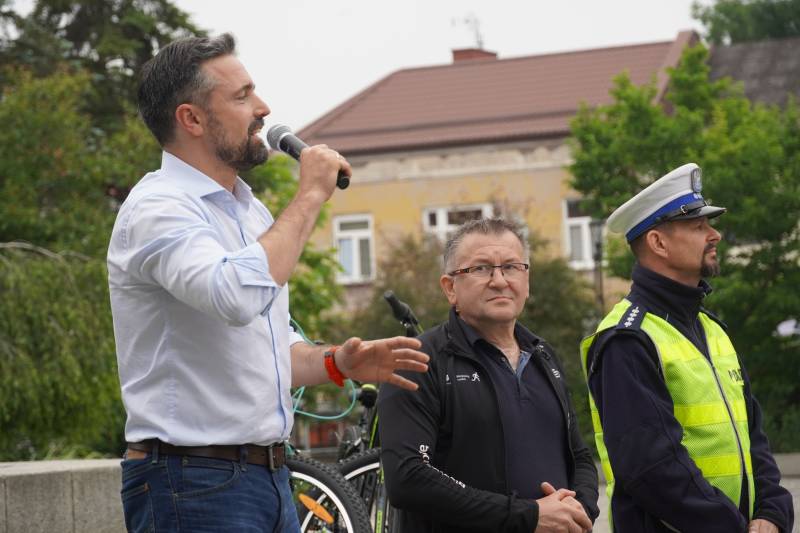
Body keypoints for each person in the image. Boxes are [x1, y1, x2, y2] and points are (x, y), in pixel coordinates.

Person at [107, 33, 429, 532]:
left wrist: (338, 361)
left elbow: (269, 347)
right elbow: (235, 297)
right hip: (191, 481)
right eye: (242, 97)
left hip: (268, 476)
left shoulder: (249, 210)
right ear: (191, 119)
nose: (263, 108)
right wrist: (309, 195)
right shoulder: (158, 209)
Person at [581, 163, 794, 532]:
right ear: (658, 243)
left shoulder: (712, 329)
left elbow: (754, 439)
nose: (715, 235)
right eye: (698, 226)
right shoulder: (627, 338)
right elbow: (653, 469)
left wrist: (772, 512)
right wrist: (733, 527)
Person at [378, 217, 599, 533]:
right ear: (450, 287)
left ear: (526, 280)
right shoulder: (417, 360)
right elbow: (408, 477)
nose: (499, 280)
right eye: (481, 268)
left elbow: (578, 455)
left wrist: (579, 510)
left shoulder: (543, 355)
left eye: (511, 267)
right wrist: (527, 516)